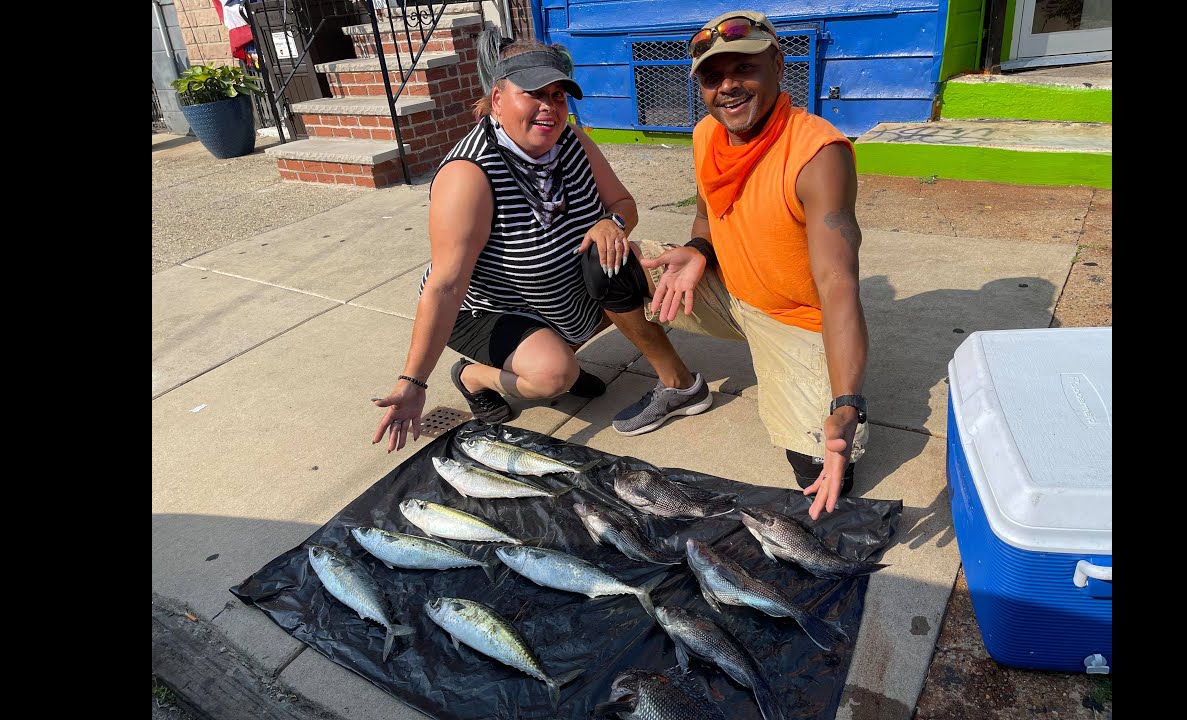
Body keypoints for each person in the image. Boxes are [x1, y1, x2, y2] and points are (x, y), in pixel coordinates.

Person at [372, 31, 711, 453]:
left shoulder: (570, 140)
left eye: (558, 95)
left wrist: (612, 222)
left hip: (554, 291)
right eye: (533, 93)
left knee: (631, 264)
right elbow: (446, 286)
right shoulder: (469, 175)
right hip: (490, 307)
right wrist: (412, 381)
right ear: (497, 99)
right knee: (554, 374)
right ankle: (476, 376)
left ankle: (561, 348)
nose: (549, 107)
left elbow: (623, 202)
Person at [590, 10, 870, 521]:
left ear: (778, 66)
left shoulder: (817, 154)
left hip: (794, 318)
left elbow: (838, 284)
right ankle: (679, 386)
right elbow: (705, 217)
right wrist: (697, 253)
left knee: (825, 476)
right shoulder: (706, 136)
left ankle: (827, 402)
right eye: (714, 77)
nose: (729, 87)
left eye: (744, 69)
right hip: (730, 291)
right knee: (603, 261)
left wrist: (847, 401)